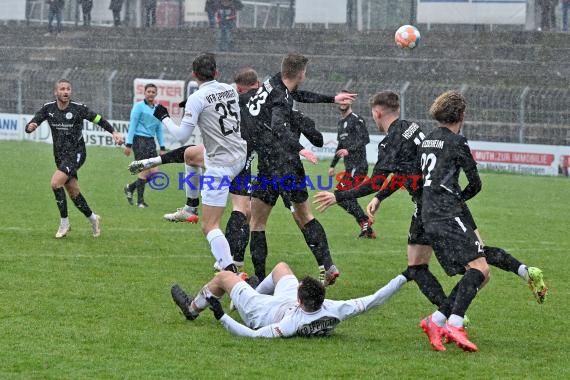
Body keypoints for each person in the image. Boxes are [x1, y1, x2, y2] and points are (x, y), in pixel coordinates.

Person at [314, 91, 547, 346]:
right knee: (461, 261)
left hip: (434, 206)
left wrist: (340, 196)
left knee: (470, 266)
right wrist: (382, 197)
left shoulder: (391, 140)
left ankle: (448, 316)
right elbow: (411, 172)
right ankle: (511, 278)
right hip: (440, 200)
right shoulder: (411, 128)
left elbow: (381, 179)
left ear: (376, 113)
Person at [246, 53, 355, 285]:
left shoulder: (274, 83)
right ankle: (327, 264)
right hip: (287, 164)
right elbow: (278, 125)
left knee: (257, 222)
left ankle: (260, 277)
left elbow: (297, 97)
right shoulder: (282, 98)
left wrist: (331, 98)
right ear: (302, 73)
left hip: (268, 164)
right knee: (305, 216)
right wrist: (300, 149)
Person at [152, 53, 247, 275]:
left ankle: (231, 270)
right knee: (192, 156)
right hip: (240, 156)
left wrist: (164, 117)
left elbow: (182, 136)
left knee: (209, 225)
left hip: (220, 166)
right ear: (216, 72)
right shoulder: (230, 88)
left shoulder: (197, 98)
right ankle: (189, 207)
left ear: (194, 75)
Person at [416, 90, 488, 352]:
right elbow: (475, 183)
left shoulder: (427, 140)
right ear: (461, 115)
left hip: (427, 214)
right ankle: (454, 324)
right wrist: (460, 200)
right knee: (481, 270)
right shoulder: (457, 142)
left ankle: (435, 321)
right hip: (447, 213)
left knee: (477, 271)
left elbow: (420, 179)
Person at [170, 261, 410, 338]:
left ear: (300, 300)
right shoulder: (335, 309)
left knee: (224, 277)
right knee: (282, 267)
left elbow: (252, 335)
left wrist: (221, 315)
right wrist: (405, 275)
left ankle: (192, 309)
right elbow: (375, 299)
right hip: (284, 304)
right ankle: (255, 288)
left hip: (260, 311)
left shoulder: (289, 324)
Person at [25, 79, 124, 238]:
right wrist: (31, 126)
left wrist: (114, 132)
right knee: (73, 192)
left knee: (56, 183)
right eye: (62, 89)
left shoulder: (78, 109)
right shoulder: (48, 108)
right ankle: (93, 219)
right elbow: (33, 122)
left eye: (68, 89)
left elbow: (98, 119)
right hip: (60, 155)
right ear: (55, 92)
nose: (66, 92)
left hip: (77, 153)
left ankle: (64, 223)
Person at [328, 89, 375, 238]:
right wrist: (332, 165)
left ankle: (365, 222)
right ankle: (366, 226)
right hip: (350, 167)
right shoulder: (340, 123)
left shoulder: (357, 119)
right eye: (341, 99)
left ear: (351, 101)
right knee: (343, 196)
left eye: (346, 100)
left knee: (341, 195)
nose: (343, 102)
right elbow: (340, 146)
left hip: (359, 165)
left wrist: (349, 150)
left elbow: (364, 139)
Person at [123, 83, 166, 208]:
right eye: (149, 91)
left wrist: (162, 147)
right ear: (145, 93)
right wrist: (128, 144)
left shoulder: (158, 109)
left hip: (150, 142)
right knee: (144, 169)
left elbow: (159, 129)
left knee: (155, 173)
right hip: (139, 140)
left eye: (153, 92)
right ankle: (140, 202)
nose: (151, 94)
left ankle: (130, 188)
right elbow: (133, 126)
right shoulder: (138, 107)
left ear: (156, 94)